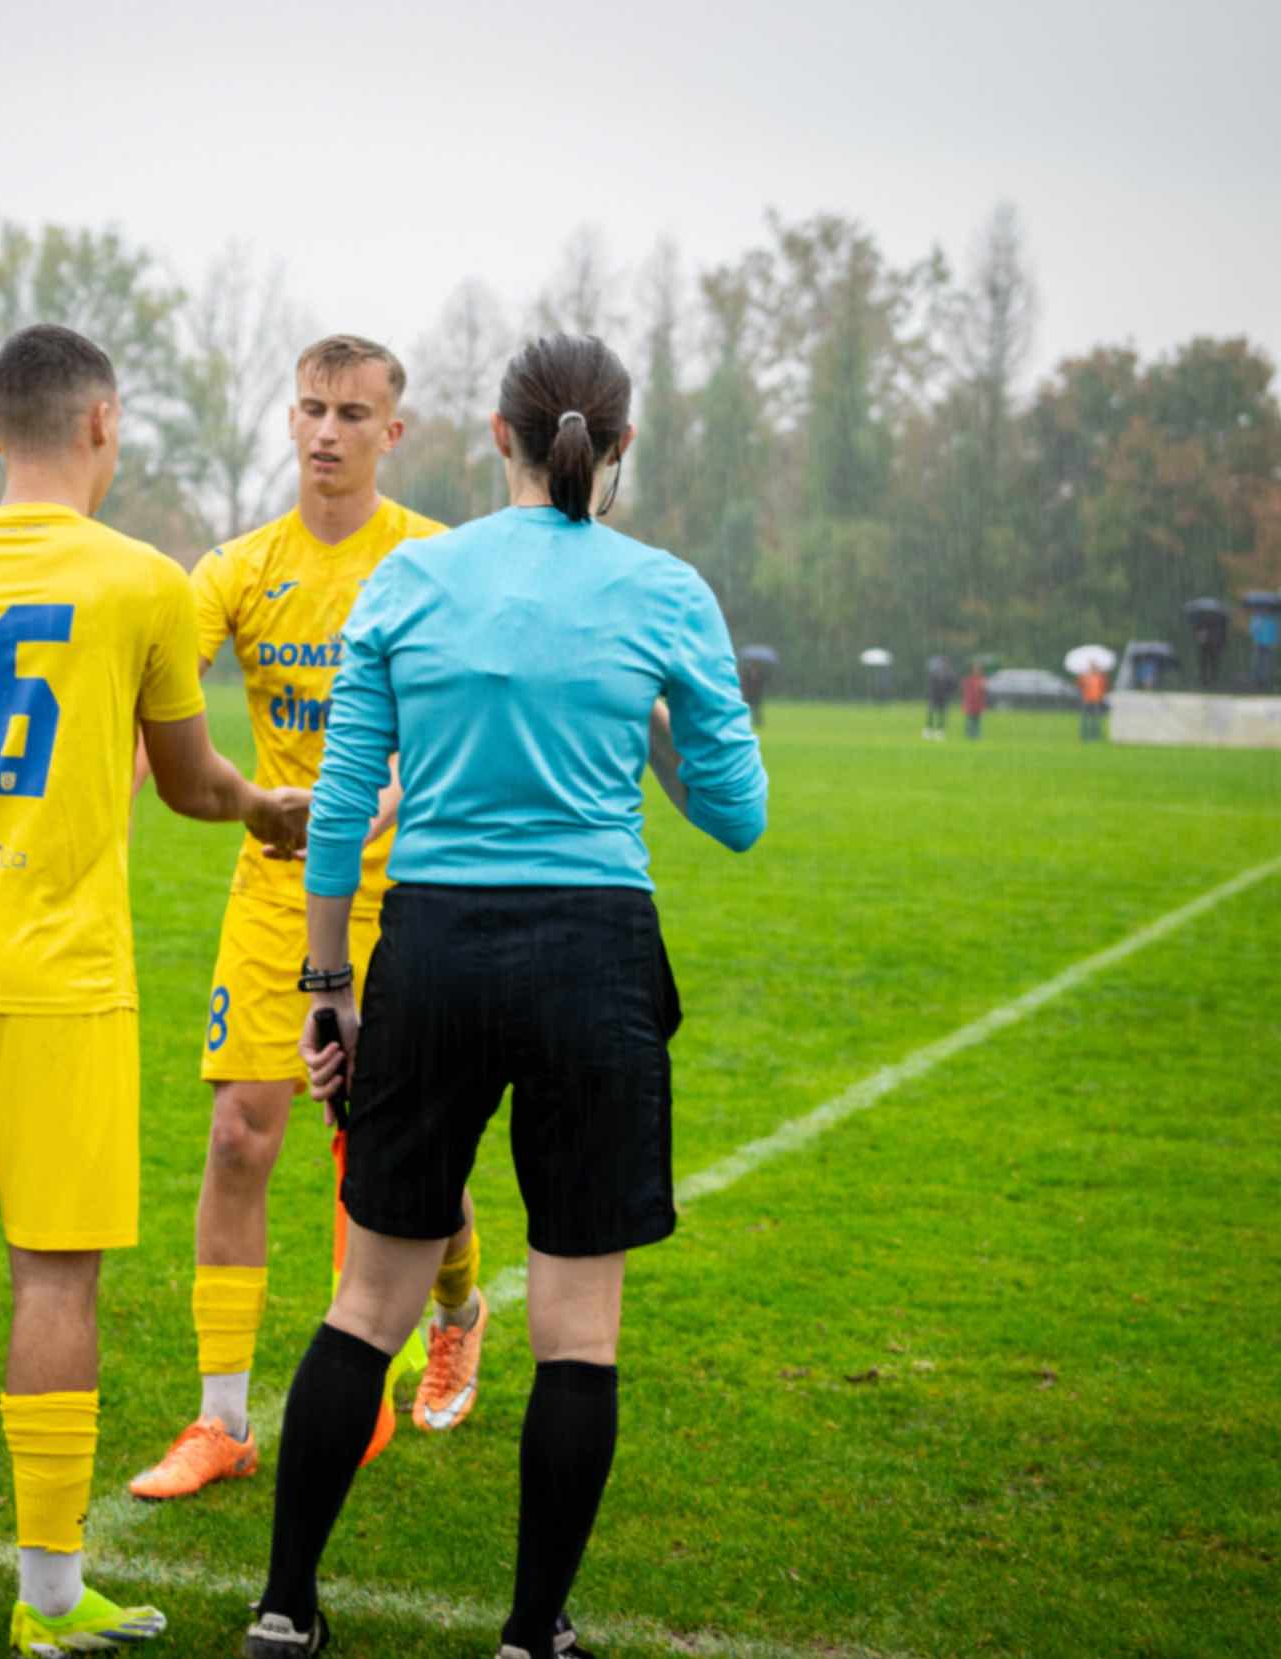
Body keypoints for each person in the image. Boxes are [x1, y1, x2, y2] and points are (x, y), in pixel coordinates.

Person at [241, 335, 767, 1659]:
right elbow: (737, 814)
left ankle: (283, 1609)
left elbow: (340, 805)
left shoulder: (410, 577)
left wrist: (325, 983)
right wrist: (638, 710)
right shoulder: (664, 589)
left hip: (430, 948)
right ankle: (532, 1634)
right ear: (620, 445)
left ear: (495, 435)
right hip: (594, 957)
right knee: (576, 1332)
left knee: (366, 1304)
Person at [0, 323, 310, 1654]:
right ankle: (45, 1596)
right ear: (103, 423)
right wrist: (266, 809)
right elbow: (191, 782)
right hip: (59, 972)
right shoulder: (141, 583)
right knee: (53, 1283)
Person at [129, 336, 487, 1504]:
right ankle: (221, 1420)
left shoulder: (434, 562)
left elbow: (468, 720)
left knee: (399, 1150)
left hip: (412, 889)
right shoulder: (235, 569)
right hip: (278, 887)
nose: (326, 431)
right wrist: (105, 805)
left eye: (352, 413)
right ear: (288, 421)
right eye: (310, 409)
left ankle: (455, 1312)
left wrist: (381, 801)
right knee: (240, 1136)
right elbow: (155, 703)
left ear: (393, 432)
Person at [923, 654, 957, 740]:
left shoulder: (949, 673)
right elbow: (931, 684)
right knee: (931, 713)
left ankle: (939, 731)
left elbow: (953, 685)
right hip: (935, 696)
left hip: (942, 697)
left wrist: (948, 693)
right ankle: (929, 730)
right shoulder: (936, 672)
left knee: (940, 714)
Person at [1078, 664, 1108, 741]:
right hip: (1087, 700)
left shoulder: (1100, 677)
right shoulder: (1085, 677)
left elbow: (1104, 686)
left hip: (1096, 700)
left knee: (1095, 719)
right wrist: (1081, 675)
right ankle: (1084, 735)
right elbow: (1080, 685)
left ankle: (1095, 735)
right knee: (1085, 719)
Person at [961, 660, 988, 740]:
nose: (977, 671)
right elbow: (966, 693)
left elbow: (984, 692)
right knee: (970, 720)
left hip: (978, 704)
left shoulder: (982, 680)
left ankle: (977, 735)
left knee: (977, 720)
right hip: (970, 703)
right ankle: (969, 735)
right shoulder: (968, 680)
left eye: (978, 669)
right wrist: (966, 703)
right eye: (976, 669)